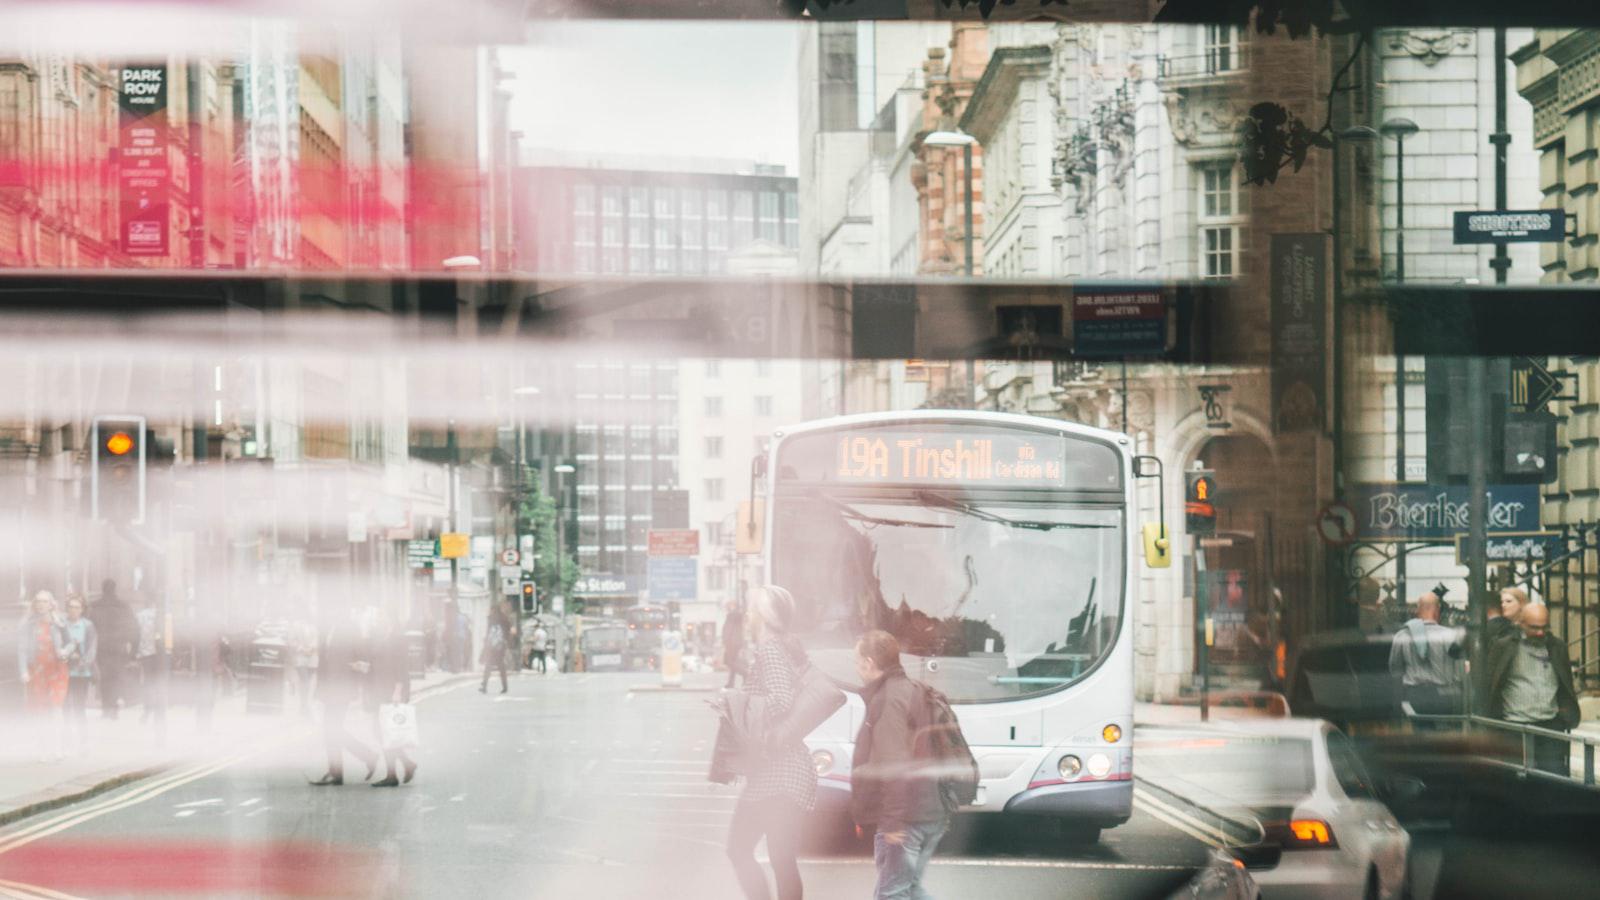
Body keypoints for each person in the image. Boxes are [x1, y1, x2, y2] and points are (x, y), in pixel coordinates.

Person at [724, 585, 814, 900]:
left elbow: (781, 698)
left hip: (782, 773)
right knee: (770, 856)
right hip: (775, 771)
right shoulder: (776, 648)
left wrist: (743, 709)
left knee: (755, 852)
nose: (746, 616)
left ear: (764, 616)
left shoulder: (771, 649)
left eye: (751, 610)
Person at [852, 629, 950, 900]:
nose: (856, 668)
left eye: (856, 661)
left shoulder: (888, 700)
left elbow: (894, 764)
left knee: (891, 894)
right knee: (910, 889)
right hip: (930, 809)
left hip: (906, 817)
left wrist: (893, 823)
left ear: (869, 663)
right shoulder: (915, 689)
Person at [1485, 603, 1581, 776]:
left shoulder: (1557, 647)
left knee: (1554, 778)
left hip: (1550, 724)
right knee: (1516, 780)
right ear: (1521, 623)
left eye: (1545, 627)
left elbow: (1565, 684)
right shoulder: (1504, 646)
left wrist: (1565, 713)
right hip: (1514, 725)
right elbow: (1491, 683)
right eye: (1534, 627)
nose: (1540, 633)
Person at [311, 607, 379, 786]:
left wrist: (355, 671)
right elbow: (324, 660)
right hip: (328, 687)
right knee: (331, 730)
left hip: (342, 687)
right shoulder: (327, 629)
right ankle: (342, 768)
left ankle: (343, 768)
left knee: (331, 729)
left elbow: (362, 657)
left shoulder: (351, 629)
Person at [1387, 592, 1464, 722]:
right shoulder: (1452, 636)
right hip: (1445, 696)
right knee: (1446, 736)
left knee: (1420, 736)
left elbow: (1395, 669)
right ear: (1437, 610)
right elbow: (1460, 672)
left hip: (1415, 695)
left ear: (1418, 610)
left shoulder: (1402, 635)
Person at [17, 590, 69, 761]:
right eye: (38, 601)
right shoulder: (28, 624)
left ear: (51, 604)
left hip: (57, 671)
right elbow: (22, 649)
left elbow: (71, 642)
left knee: (56, 710)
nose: (41, 604)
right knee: (40, 711)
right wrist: (24, 670)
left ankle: (58, 748)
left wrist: (64, 651)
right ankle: (43, 750)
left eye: (45, 601)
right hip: (37, 671)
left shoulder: (60, 623)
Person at [368, 613, 418, 787]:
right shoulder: (382, 636)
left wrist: (398, 690)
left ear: (391, 618)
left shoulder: (398, 638)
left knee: (385, 731)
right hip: (380, 688)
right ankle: (405, 764)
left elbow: (401, 665)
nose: (379, 619)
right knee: (381, 731)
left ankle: (393, 773)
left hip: (392, 689)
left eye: (383, 616)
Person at [88, 579, 137, 721]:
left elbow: (91, 628)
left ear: (103, 589)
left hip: (101, 647)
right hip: (118, 648)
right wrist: (132, 649)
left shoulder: (95, 607)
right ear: (114, 589)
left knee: (104, 678)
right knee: (116, 678)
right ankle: (113, 709)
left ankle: (106, 708)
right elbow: (133, 628)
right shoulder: (123, 607)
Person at [58, 593, 98, 755]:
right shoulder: (61, 624)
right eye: (70, 607)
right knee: (65, 707)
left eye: (76, 607)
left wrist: (83, 663)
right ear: (66, 608)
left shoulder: (88, 626)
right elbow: (57, 644)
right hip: (64, 671)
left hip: (82, 673)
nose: (73, 610)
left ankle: (83, 743)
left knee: (79, 708)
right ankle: (67, 742)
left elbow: (92, 648)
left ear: (82, 610)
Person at [134, 594, 165, 727]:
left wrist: (137, 652)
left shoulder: (139, 615)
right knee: (160, 682)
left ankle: (147, 708)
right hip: (160, 655)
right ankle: (158, 707)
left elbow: (136, 634)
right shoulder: (162, 615)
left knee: (148, 681)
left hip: (145, 653)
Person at [288, 608, 320, 717]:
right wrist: (302, 649)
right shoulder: (296, 625)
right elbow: (291, 640)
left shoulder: (315, 625)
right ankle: (304, 705)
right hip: (301, 657)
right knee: (304, 680)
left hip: (312, 657)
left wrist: (312, 648)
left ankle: (304, 704)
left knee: (308, 681)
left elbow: (318, 638)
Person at [480, 603, 512, 694]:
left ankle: (484, 685)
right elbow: (508, 630)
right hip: (501, 646)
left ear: (493, 610)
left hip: (492, 645)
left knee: (488, 665)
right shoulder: (504, 618)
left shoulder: (491, 618)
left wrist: (486, 641)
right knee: (501, 666)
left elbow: (488, 631)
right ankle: (505, 686)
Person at [722, 601, 746, 689]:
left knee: (730, 662)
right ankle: (731, 682)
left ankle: (745, 674)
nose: (726, 607)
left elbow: (729, 628)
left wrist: (725, 640)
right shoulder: (736, 614)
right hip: (735, 642)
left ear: (733, 606)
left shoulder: (733, 615)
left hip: (731, 642)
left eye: (728, 605)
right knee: (732, 662)